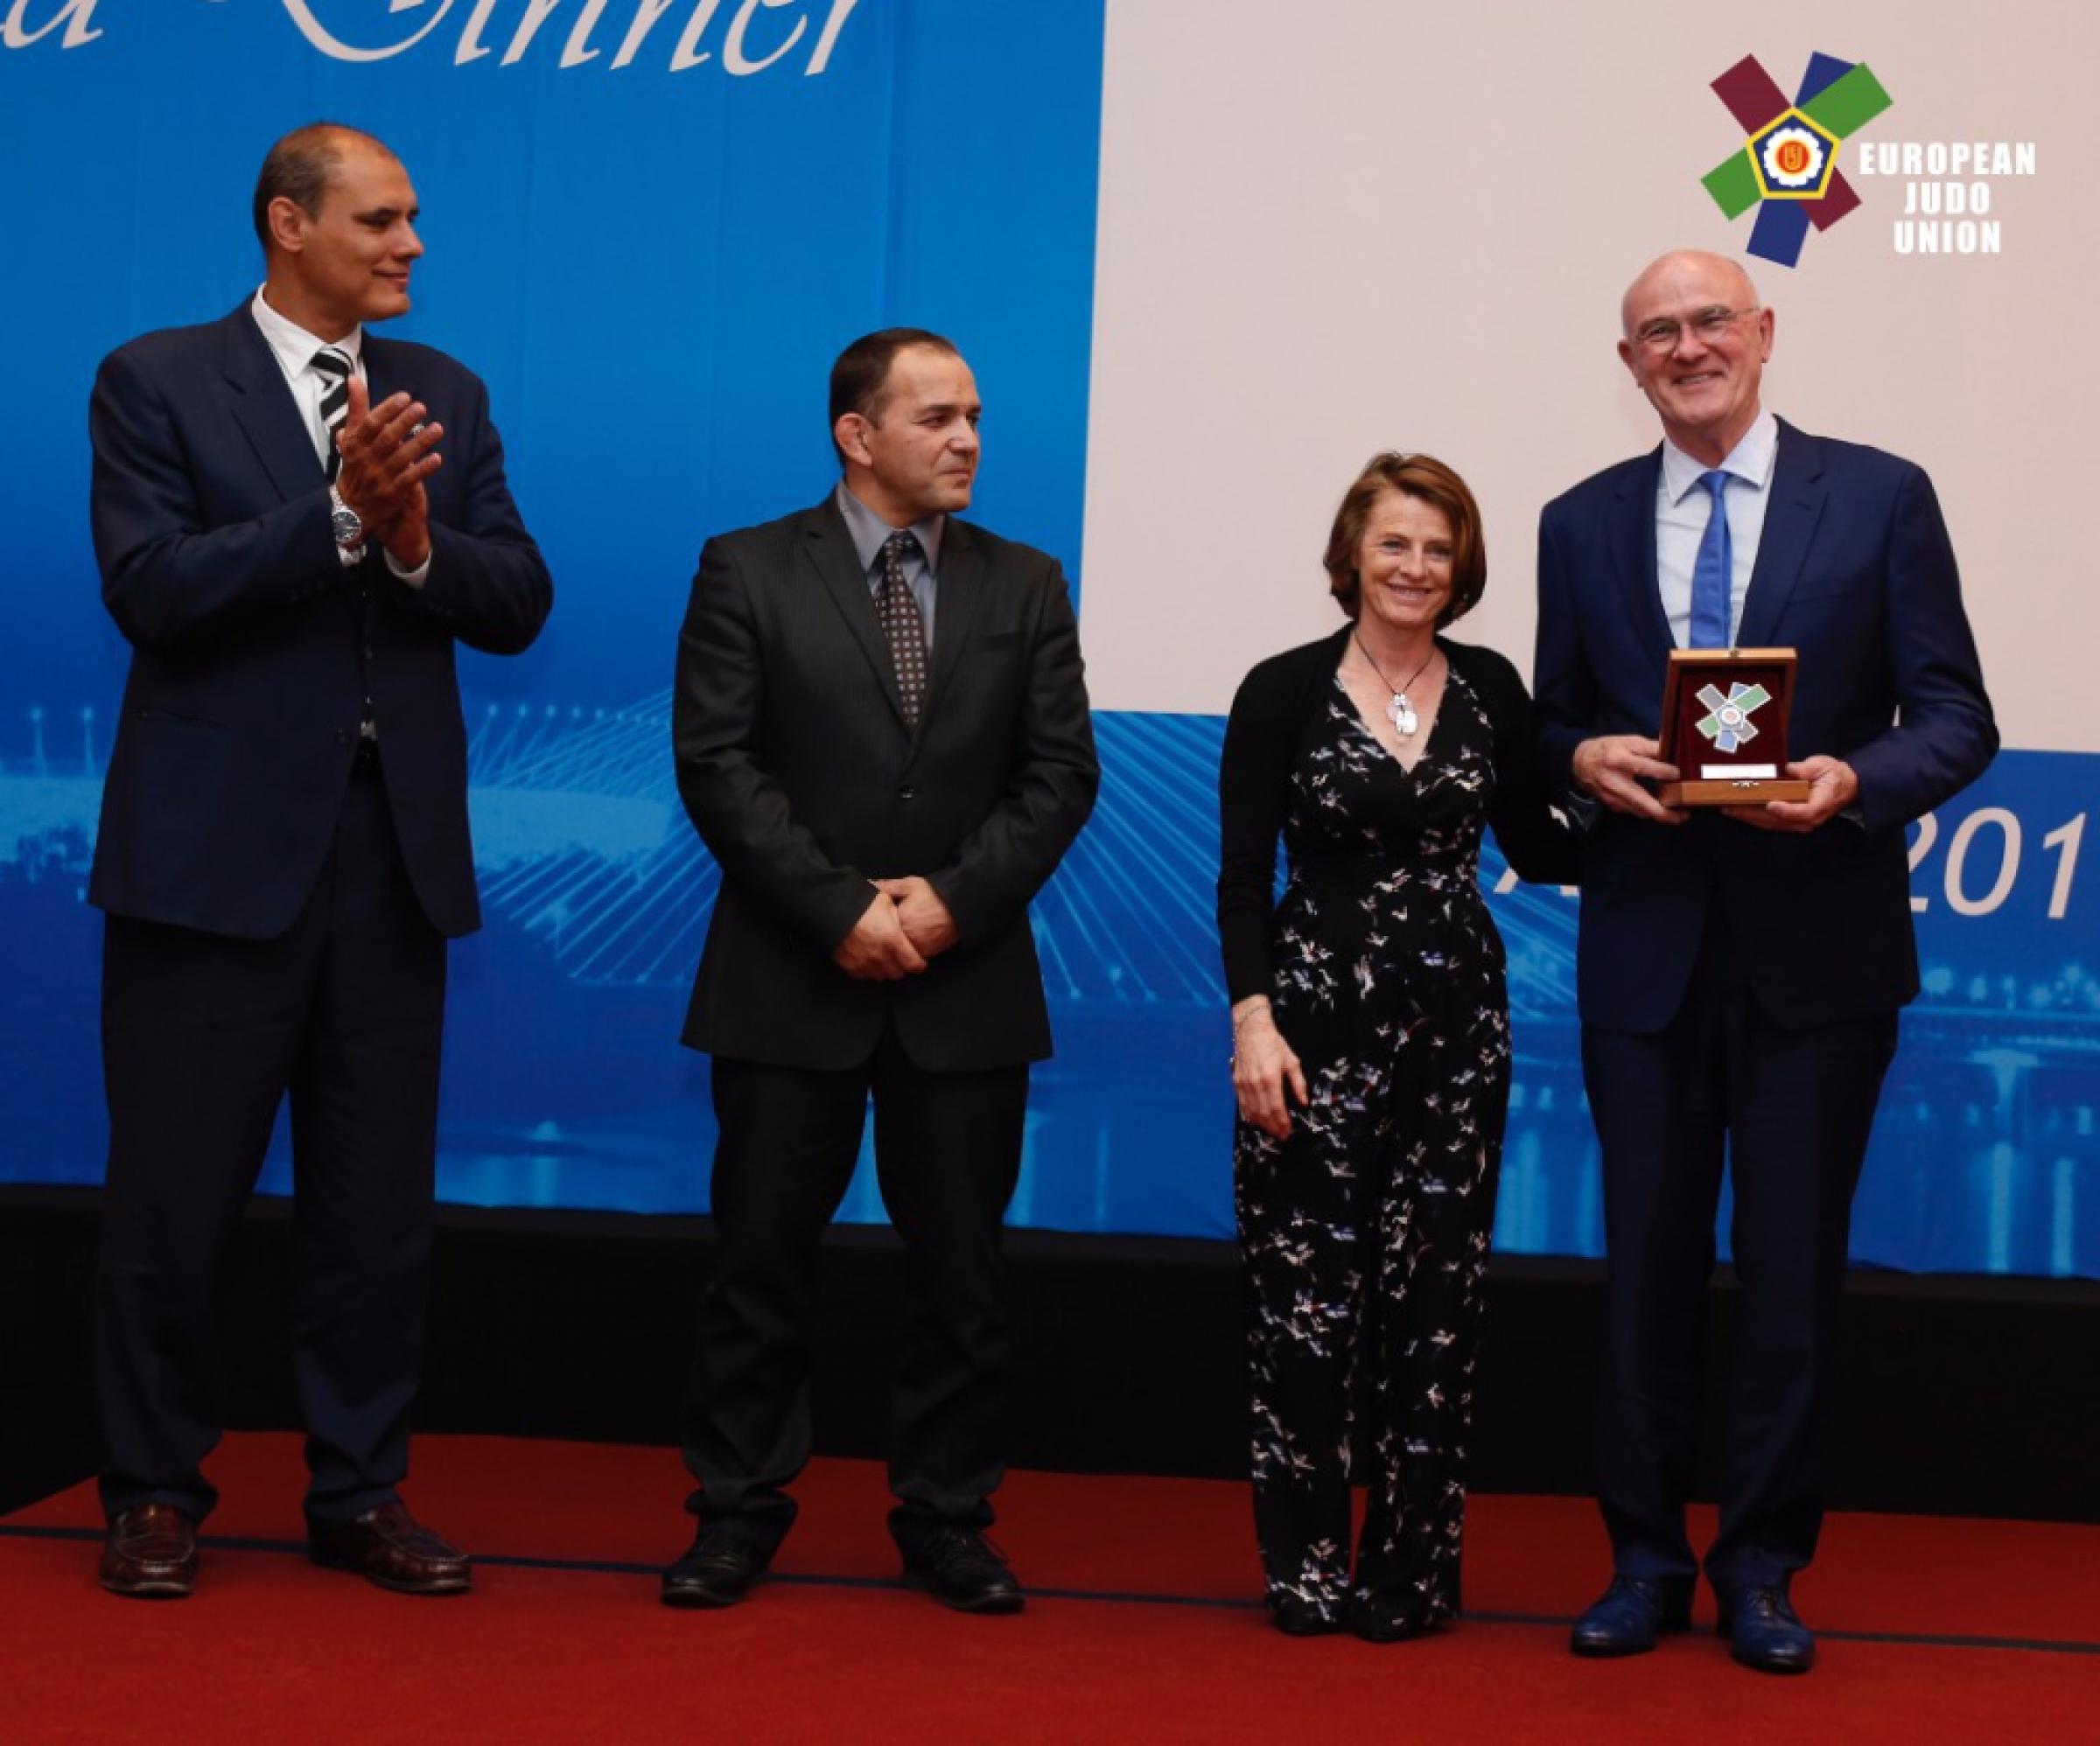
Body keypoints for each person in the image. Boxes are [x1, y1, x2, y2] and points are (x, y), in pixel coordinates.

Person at [87, 123, 553, 1599]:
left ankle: (358, 1491)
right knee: (173, 1206)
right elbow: (150, 590)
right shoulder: (157, 378)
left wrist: (412, 541)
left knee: (372, 1215)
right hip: (209, 866)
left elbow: (517, 596)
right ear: (289, 224)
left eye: (413, 218)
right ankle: (153, 1494)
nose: (412, 245)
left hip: (387, 861)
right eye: (381, 219)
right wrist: (339, 516)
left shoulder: (444, 392)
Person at [1535, 250, 1995, 1673]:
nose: (1689, 348)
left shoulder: (1881, 496)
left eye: (1711, 321)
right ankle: (1643, 1562)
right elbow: (1551, 723)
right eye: (1658, 332)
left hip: (1820, 956)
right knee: (1644, 1276)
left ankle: (1763, 1570)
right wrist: (1582, 759)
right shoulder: (1578, 522)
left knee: (1792, 1282)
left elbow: (1956, 716)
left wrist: (1855, 784)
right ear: (1629, 365)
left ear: (1764, 330)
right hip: (1646, 958)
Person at [665, 328, 1098, 1614]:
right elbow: (717, 763)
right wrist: (837, 907)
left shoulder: (1026, 581)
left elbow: (1060, 775)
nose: (968, 440)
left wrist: (952, 904)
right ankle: (736, 1513)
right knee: (757, 1270)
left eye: (975, 417)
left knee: (964, 1281)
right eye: (937, 418)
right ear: (857, 435)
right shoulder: (746, 567)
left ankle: (949, 1519)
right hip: (787, 979)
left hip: (965, 990)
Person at [1217, 452, 1576, 1640]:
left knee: (1437, 1301)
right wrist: (1253, 1022)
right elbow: (1240, 879)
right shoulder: (1281, 689)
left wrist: (1679, 801)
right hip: (1309, 1028)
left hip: (1458, 1030)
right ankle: (1308, 1568)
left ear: (1460, 564)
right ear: (1352, 556)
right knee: (1305, 1300)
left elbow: (1544, 843)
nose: (1415, 567)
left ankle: (1409, 1575)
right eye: (1394, 544)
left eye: (1437, 547)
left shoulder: (1493, 687)